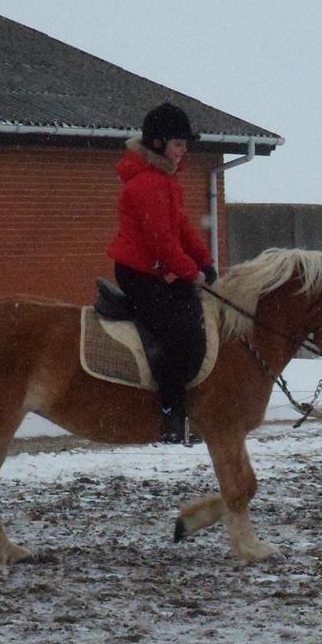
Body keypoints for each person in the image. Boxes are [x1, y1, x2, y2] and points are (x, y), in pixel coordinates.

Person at [106, 101, 218, 443]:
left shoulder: (166, 181)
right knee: (177, 334)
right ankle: (169, 414)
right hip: (137, 273)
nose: (184, 151)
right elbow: (162, 243)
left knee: (193, 315)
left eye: (185, 145)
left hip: (154, 271)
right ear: (158, 144)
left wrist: (205, 261)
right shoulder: (147, 185)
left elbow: (182, 228)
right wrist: (191, 273)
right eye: (178, 144)